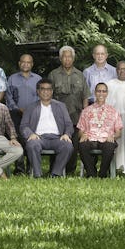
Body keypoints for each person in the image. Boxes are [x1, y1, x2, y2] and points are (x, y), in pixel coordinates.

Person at [48, 45, 90, 174]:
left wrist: (85, 115)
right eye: (64, 57)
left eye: (69, 57)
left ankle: (70, 171)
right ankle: (54, 170)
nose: (67, 59)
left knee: (73, 144)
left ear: (73, 58)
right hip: (57, 117)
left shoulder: (80, 75)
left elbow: (85, 97)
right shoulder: (53, 75)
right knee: (57, 142)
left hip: (76, 116)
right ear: (60, 59)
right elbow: (47, 96)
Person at [20, 80, 74, 178]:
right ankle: (38, 174)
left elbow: (69, 124)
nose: (46, 92)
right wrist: (30, 134)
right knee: (32, 145)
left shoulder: (61, 106)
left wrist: (67, 134)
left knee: (68, 146)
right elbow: (24, 125)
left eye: (48, 89)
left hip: (57, 138)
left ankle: (55, 174)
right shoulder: (31, 107)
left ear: (52, 91)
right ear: (38, 91)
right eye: (43, 89)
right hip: (39, 138)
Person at [6, 54, 42, 175]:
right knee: (18, 139)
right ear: (19, 63)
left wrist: (31, 110)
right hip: (16, 115)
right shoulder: (12, 79)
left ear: (32, 64)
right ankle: (19, 169)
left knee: (31, 139)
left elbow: (41, 97)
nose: (26, 64)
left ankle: (30, 167)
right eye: (23, 62)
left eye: (28, 62)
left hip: (34, 115)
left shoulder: (38, 79)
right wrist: (17, 109)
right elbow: (9, 98)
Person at [77, 83, 123, 178]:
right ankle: (91, 173)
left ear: (107, 93)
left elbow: (119, 132)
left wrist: (113, 136)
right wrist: (82, 135)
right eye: (98, 91)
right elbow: (80, 130)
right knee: (82, 145)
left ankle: (103, 173)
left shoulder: (113, 111)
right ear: (95, 92)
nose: (101, 93)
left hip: (106, 139)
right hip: (90, 138)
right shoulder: (86, 110)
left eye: (104, 91)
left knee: (110, 146)